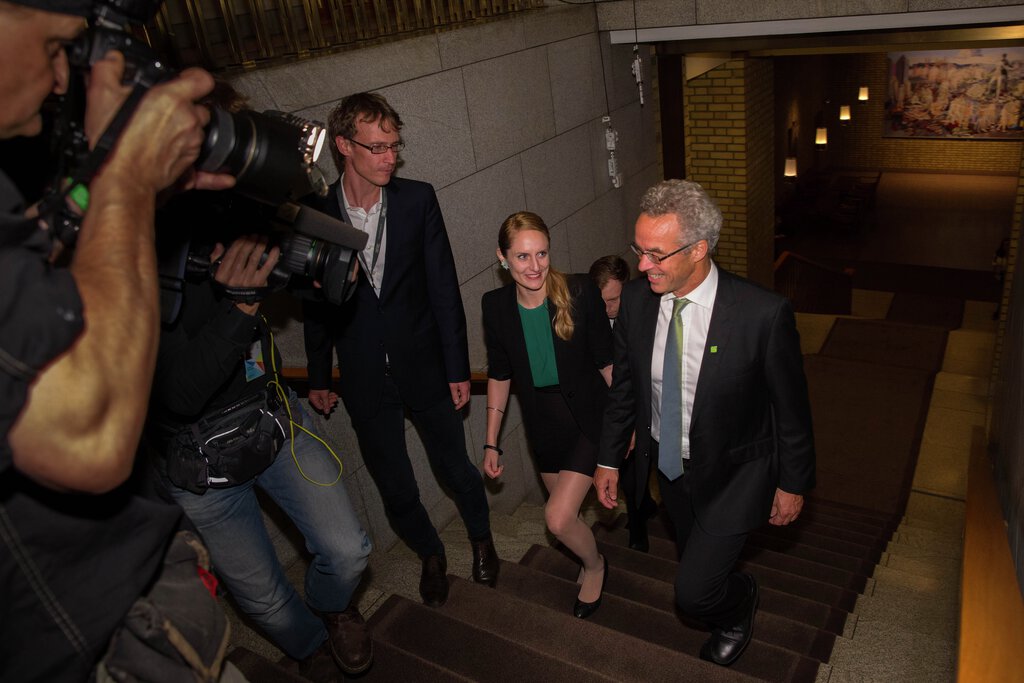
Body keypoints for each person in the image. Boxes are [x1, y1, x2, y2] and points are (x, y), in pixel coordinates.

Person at [0, 0, 235, 679]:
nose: (60, 80)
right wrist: (124, 179)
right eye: (53, 47)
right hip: (77, 648)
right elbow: (92, 436)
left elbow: (27, 267)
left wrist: (105, 189)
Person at [593, 179, 816, 668]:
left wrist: (792, 483)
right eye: (639, 250)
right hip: (670, 469)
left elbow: (791, 410)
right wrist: (608, 459)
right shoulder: (636, 302)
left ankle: (737, 606)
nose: (643, 265)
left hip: (737, 473)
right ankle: (723, 588)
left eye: (656, 254)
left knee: (693, 592)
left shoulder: (762, 314)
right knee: (696, 557)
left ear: (698, 249)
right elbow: (626, 389)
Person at [148, 221, 374, 679]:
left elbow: (302, 280)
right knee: (261, 597)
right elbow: (180, 393)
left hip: (274, 420)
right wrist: (242, 302)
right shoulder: (131, 268)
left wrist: (331, 273)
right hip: (199, 470)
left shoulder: (227, 214)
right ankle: (309, 645)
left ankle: (332, 608)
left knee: (349, 551)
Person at [302, 92, 497, 608]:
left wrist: (457, 366)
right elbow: (315, 303)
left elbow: (443, 289)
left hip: (426, 366)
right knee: (396, 487)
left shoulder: (417, 199)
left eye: (395, 146)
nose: (390, 158)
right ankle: (431, 554)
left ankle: (482, 538)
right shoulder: (317, 211)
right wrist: (318, 375)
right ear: (344, 145)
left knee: (455, 468)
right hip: (364, 374)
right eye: (378, 147)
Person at [483, 212, 613, 618]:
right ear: (502, 257)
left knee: (556, 519)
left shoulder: (579, 291)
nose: (535, 266)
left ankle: (596, 566)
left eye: (542, 253)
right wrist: (491, 441)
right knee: (567, 516)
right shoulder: (495, 306)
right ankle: (587, 554)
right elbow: (499, 374)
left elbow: (608, 363)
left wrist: (626, 424)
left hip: (587, 419)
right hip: (543, 426)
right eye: (522, 256)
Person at [588, 254, 657, 552]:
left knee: (636, 470)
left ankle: (640, 521)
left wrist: (635, 423)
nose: (607, 308)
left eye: (613, 300)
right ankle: (642, 514)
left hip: (641, 407)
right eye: (601, 301)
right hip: (608, 409)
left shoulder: (643, 315)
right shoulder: (592, 317)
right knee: (626, 470)